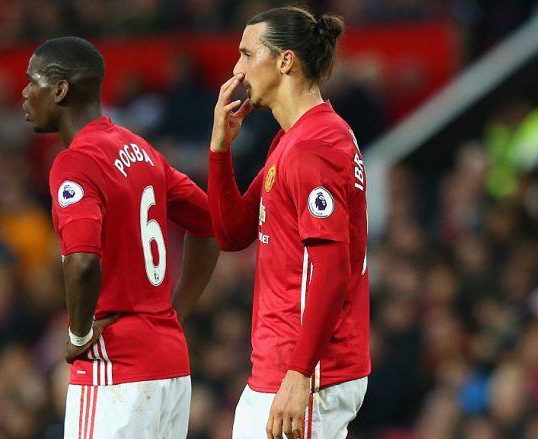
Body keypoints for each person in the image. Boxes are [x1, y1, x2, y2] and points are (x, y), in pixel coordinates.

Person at [22, 36, 219, 438]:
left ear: (60, 91)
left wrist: (78, 335)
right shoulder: (141, 150)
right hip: (170, 367)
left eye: (32, 81)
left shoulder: (75, 162)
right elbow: (210, 223)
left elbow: (82, 261)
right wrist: (175, 313)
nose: (25, 93)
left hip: (115, 368)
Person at [207, 7, 370, 439]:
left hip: (308, 372)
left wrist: (300, 373)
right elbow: (232, 233)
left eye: (247, 54)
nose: (238, 69)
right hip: (284, 367)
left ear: (285, 61)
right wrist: (220, 151)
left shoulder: (313, 147)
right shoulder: (293, 139)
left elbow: (332, 268)